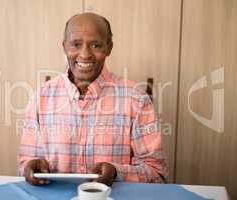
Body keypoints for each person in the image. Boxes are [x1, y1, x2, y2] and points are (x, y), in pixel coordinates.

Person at [18, 12, 167, 186]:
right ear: (64, 46)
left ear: (109, 47)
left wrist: (116, 172)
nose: (85, 54)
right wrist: (31, 166)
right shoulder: (40, 97)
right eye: (76, 44)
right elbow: (24, 164)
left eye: (95, 45)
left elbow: (157, 173)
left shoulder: (136, 98)